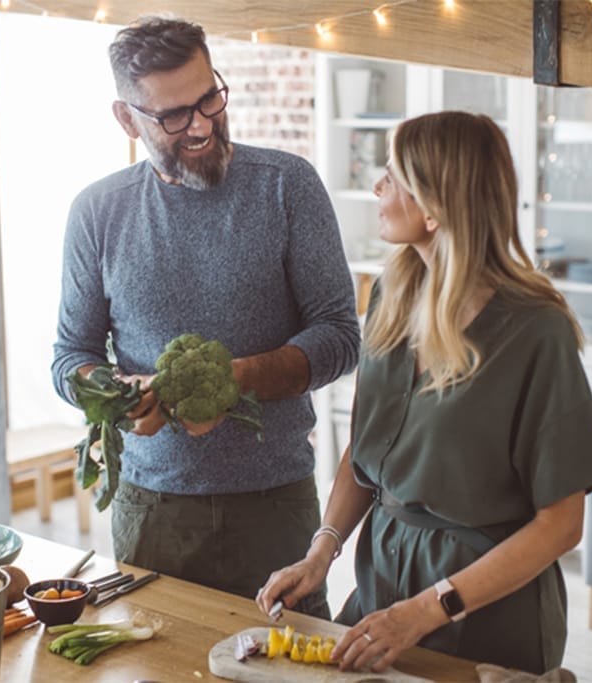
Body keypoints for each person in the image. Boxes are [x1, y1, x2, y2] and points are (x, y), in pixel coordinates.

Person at [255, 111, 592, 673]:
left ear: (436, 205)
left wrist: (429, 609)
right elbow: (364, 452)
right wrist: (321, 551)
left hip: (491, 614)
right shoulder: (388, 300)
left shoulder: (534, 330)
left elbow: (562, 524)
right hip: (381, 592)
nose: (377, 186)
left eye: (393, 175)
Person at [50, 16, 361, 618]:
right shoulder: (98, 213)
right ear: (126, 118)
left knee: (291, 665)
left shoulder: (288, 186)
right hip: (153, 510)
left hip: (277, 504)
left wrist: (234, 379)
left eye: (209, 99)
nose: (200, 125)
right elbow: (70, 357)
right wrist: (117, 395)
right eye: (173, 115)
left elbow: (340, 338)